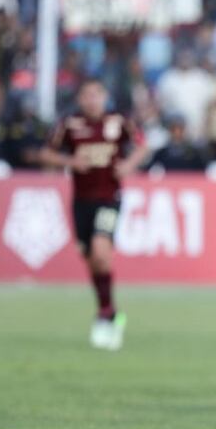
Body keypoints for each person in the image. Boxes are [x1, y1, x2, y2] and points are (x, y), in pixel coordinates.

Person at [40, 79, 149, 350]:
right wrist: (70, 162)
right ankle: (109, 310)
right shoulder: (69, 125)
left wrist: (129, 165)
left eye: (96, 94)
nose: (92, 100)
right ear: (80, 99)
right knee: (91, 261)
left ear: (105, 96)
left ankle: (104, 316)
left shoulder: (119, 122)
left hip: (109, 198)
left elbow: (143, 145)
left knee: (101, 251)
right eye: (86, 95)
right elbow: (46, 153)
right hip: (81, 202)